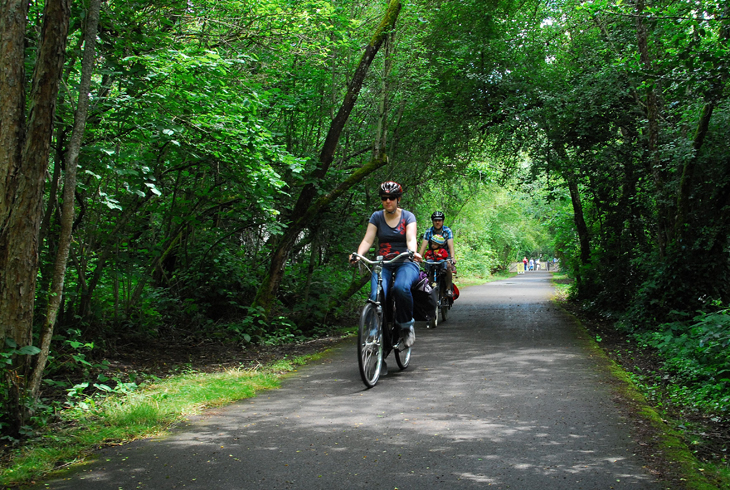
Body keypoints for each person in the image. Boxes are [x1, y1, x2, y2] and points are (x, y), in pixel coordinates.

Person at [350, 181, 422, 350]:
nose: (387, 201)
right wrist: (359, 255)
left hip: (405, 261)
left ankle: (406, 326)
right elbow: (368, 239)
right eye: (384, 198)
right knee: (376, 295)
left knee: (401, 288)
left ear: (398, 199)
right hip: (383, 262)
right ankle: (374, 332)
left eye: (391, 198)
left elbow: (411, 239)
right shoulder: (376, 217)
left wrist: (412, 251)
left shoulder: (408, 216)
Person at [418, 211, 455, 297]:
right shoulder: (428, 232)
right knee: (427, 271)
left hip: (445, 255)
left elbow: (450, 245)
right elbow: (423, 246)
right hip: (432, 255)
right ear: (433, 221)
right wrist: (418, 258)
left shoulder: (447, 231)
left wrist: (452, 257)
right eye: (435, 220)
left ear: (442, 221)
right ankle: (428, 290)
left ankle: (448, 289)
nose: (437, 222)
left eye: (439, 220)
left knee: (448, 267)